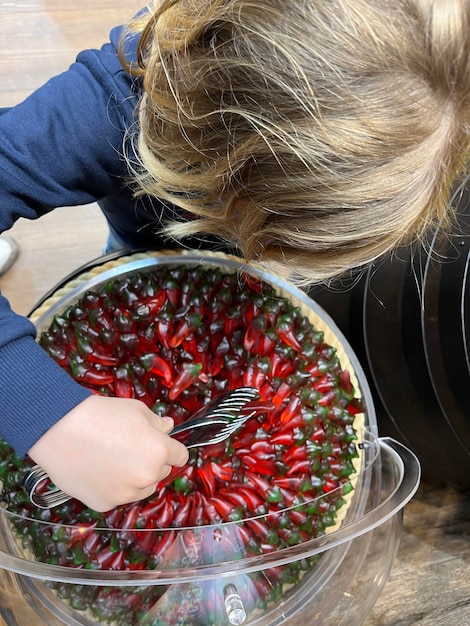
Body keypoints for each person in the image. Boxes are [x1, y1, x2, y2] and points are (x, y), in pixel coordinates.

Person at [1, 0, 469, 512]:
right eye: (278, 233)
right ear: (218, 167)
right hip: (149, 239)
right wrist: (51, 415)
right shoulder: (102, 109)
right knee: (132, 268)